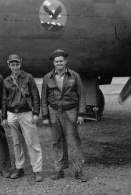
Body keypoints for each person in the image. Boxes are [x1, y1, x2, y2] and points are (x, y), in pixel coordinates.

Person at [41, 49, 87, 182]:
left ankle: (79, 171)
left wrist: (81, 114)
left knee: (74, 142)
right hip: (53, 112)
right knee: (57, 142)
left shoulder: (74, 76)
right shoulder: (47, 77)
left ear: (65, 62)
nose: (59, 63)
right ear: (54, 63)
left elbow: (81, 96)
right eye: (56, 61)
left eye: (61, 61)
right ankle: (59, 170)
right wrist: (45, 116)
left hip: (70, 111)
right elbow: (43, 98)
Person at [1, 54, 44, 182]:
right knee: (17, 142)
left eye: (17, 64)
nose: (15, 67)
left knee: (32, 142)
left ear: (21, 64)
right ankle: (19, 168)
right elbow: (4, 100)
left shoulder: (28, 77)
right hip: (12, 114)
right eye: (12, 65)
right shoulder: (6, 80)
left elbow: (36, 96)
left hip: (26, 113)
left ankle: (37, 170)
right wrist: (4, 117)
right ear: (9, 65)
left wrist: (36, 113)